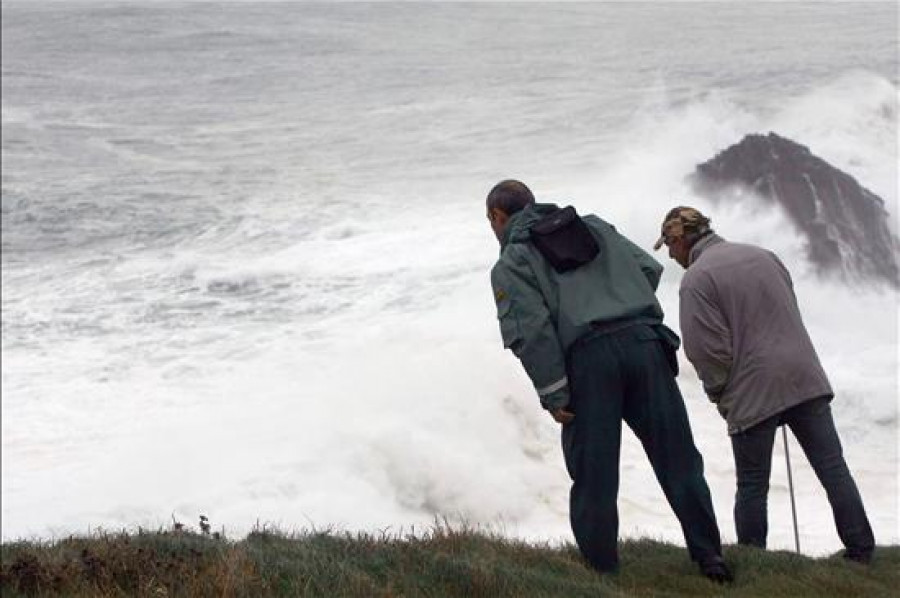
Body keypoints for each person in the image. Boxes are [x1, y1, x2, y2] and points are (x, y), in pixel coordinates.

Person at [486, 180, 731, 582]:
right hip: (646, 344)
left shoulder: (513, 260)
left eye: (490, 222)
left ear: (498, 217)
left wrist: (554, 393)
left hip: (590, 360)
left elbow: (532, 333)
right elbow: (649, 268)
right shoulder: (594, 226)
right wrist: (619, 302)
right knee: (679, 460)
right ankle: (711, 559)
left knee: (595, 474)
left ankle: (602, 572)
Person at [653, 206, 875, 563]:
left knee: (753, 483)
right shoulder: (764, 256)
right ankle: (862, 551)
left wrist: (718, 393)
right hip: (805, 375)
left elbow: (706, 351)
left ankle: (754, 559)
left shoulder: (696, 279)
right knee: (833, 468)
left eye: (669, 247)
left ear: (679, 239)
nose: (672, 256)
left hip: (751, 387)